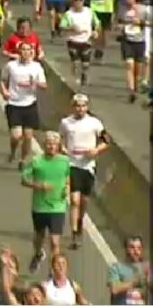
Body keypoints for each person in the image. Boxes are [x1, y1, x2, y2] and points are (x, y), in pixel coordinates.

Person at [58, 94, 108, 250]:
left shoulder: (95, 123)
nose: (80, 109)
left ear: (87, 107)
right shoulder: (66, 123)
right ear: (73, 107)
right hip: (72, 164)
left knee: (84, 201)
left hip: (88, 166)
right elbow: (59, 139)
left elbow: (106, 141)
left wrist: (96, 150)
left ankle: (79, 223)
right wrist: (63, 149)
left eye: (83, 106)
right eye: (77, 106)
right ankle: (74, 234)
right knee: (74, 200)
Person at [20, 131, 71, 273]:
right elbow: (24, 180)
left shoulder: (64, 161)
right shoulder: (36, 161)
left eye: (54, 144)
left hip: (58, 207)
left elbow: (67, 178)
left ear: (58, 146)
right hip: (40, 207)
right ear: (44, 145)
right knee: (39, 237)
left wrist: (67, 188)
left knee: (55, 242)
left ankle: (53, 272)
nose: (52, 147)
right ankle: (38, 254)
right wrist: (39, 186)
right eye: (49, 144)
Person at [0, 42, 47, 170]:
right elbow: (3, 80)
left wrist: (35, 83)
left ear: (32, 52)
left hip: (30, 104)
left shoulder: (36, 67)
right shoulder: (11, 66)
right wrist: (4, 91)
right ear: (19, 51)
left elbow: (44, 86)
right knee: (16, 136)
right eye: (23, 50)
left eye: (28, 50)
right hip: (14, 103)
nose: (26, 52)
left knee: (28, 136)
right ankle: (13, 151)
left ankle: (22, 159)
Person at [118, 0, 151, 103]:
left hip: (140, 41)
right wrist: (120, 27)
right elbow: (118, 22)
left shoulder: (142, 9)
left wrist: (141, 22)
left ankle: (135, 87)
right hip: (127, 41)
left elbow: (150, 23)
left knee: (137, 70)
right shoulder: (122, 9)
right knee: (129, 65)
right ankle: (131, 91)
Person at [59, 0, 99, 86]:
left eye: (80, 0)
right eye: (76, 0)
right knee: (76, 62)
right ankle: (76, 79)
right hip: (73, 41)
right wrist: (71, 28)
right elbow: (62, 26)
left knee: (85, 64)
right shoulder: (68, 14)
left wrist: (95, 31)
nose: (78, 2)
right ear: (73, 2)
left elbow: (96, 23)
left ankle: (84, 75)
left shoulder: (89, 12)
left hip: (86, 40)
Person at [107, 236, 151, 305]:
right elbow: (114, 289)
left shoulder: (147, 267)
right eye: (132, 247)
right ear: (126, 249)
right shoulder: (117, 267)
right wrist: (136, 283)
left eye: (139, 248)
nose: (136, 251)